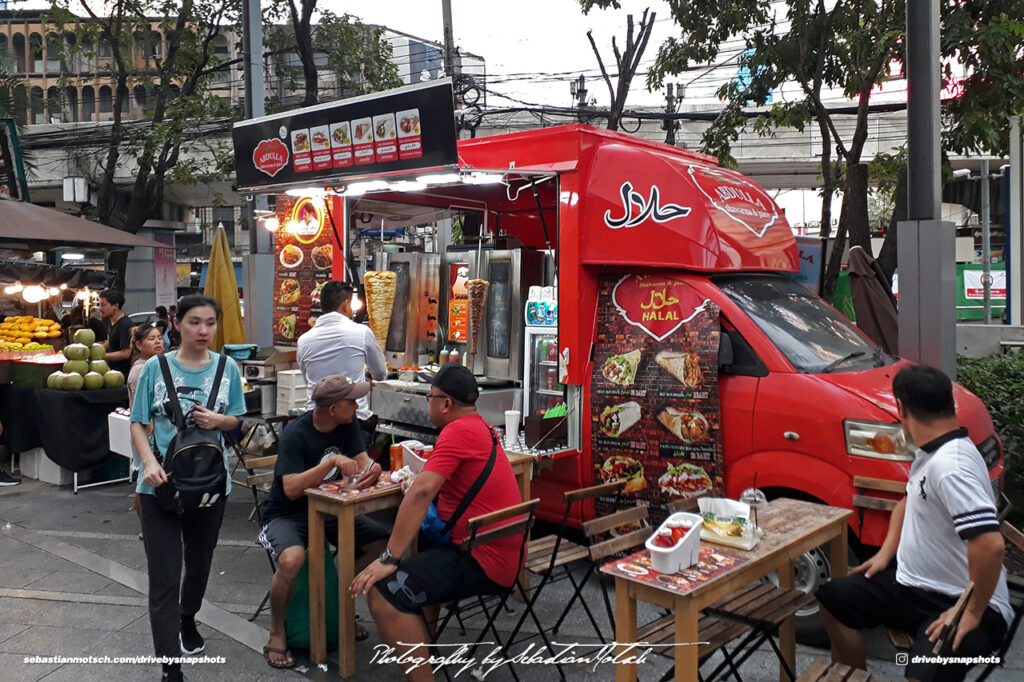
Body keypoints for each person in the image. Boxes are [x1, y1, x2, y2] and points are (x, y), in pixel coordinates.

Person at [816, 364, 1011, 682]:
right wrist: (884, 554)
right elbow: (907, 502)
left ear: (901, 408)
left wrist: (973, 611)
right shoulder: (934, 451)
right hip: (913, 585)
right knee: (833, 599)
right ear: (950, 404)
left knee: (921, 675)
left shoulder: (952, 466)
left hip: (968, 601)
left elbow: (990, 545)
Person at [350, 364, 525, 682]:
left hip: (485, 560)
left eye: (430, 396)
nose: (427, 402)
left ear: (446, 404)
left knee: (382, 591)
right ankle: (423, 645)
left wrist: (389, 558)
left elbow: (421, 493)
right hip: (500, 551)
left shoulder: (456, 432)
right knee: (423, 545)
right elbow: (434, 485)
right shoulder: (483, 427)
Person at [129, 295, 245, 682]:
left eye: (210, 323)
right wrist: (147, 463)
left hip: (212, 485)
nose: (203, 331)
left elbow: (238, 421)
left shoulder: (228, 368)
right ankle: (170, 666)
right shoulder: (154, 369)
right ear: (176, 323)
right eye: (195, 322)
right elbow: (137, 422)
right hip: (160, 486)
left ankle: (188, 616)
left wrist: (219, 419)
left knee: (199, 564)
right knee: (163, 576)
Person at [257, 374, 387, 669]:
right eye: (351, 401)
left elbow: (363, 460)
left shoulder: (347, 423)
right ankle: (277, 630)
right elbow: (290, 488)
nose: (357, 405)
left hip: (329, 510)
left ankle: (338, 606)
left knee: (381, 544)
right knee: (292, 560)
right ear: (333, 408)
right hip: (286, 514)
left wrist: (374, 467)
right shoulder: (296, 434)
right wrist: (329, 463)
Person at [297, 281, 387, 451]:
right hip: (352, 421)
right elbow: (381, 372)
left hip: (316, 419)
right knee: (356, 474)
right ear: (346, 304)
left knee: (320, 475)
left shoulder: (304, 340)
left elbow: (308, 379)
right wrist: (368, 377)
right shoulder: (361, 332)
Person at [127, 323, 165, 536]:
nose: (158, 341)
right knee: (144, 483)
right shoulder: (141, 369)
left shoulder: (155, 364)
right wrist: (152, 434)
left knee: (151, 480)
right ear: (139, 345)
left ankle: (152, 522)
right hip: (146, 434)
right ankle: (146, 525)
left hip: (153, 434)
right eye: (151, 338)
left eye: (159, 337)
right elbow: (142, 412)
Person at [99, 289, 132, 375]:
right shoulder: (113, 322)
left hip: (122, 375)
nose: (100, 308)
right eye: (99, 305)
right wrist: (95, 349)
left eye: (103, 305)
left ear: (116, 306)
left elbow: (126, 353)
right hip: (112, 371)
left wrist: (101, 356)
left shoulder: (125, 325)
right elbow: (112, 342)